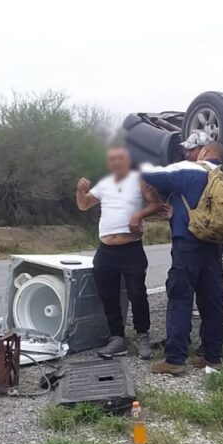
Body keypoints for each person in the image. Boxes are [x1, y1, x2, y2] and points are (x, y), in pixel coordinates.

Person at [140, 141, 223, 375]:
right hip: (212, 244)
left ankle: (175, 359)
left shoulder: (192, 169)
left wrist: (138, 164)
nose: (187, 153)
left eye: (191, 149)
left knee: (180, 297)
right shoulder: (222, 177)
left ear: (205, 151)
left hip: (188, 245)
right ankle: (213, 356)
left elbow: (151, 174)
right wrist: (176, 213)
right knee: (212, 300)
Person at [77, 147, 163, 359]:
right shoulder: (105, 183)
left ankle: (143, 335)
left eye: (120, 158)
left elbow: (156, 204)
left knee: (137, 294)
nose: (116, 162)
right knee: (109, 296)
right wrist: (80, 191)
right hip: (106, 250)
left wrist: (138, 215)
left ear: (127, 161)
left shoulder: (139, 179)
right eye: (112, 159)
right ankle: (117, 339)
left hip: (131, 248)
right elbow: (84, 204)